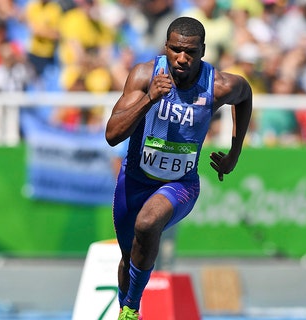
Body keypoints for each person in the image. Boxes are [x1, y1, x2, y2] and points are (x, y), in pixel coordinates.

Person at [105, 16, 253, 319]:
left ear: (203, 50)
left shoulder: (219, 85)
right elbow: (112, 135)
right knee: (127, 257)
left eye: (191, 52)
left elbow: (246, 94)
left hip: (180, 184)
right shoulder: (145, 75)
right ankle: (126, 308)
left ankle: (131, 309)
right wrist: (149, 99)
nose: (182, 58)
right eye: (175, 50)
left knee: (147, 224)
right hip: (134, 181)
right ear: (166, 47)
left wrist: (235, 152)